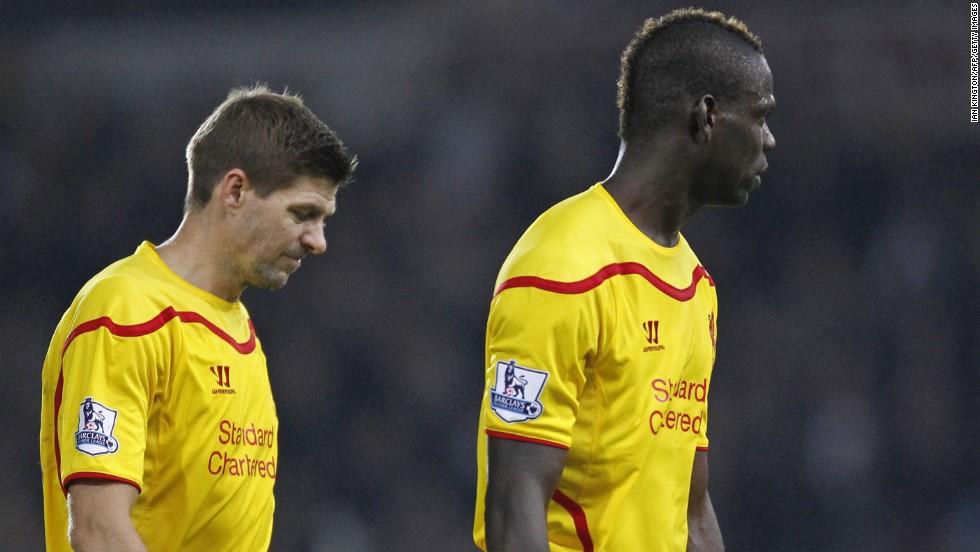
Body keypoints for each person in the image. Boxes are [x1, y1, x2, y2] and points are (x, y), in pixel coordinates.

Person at [474, 8, 775, 552]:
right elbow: (515, 496)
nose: (769, 140)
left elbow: (692, 507)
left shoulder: (696, 285)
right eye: (760, 117)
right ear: (707, 117)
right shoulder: (561, 266)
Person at [39, 85, 357, 551]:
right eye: (302, 214)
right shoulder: (127, 312)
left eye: (323, 219)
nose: (318, 241)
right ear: (235, 190)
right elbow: (98, 530)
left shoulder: (237, 327)